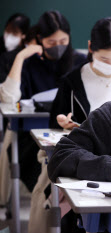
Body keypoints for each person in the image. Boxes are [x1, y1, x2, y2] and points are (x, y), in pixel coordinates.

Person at [0, 10, 87, 194]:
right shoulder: (29, 63)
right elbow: (8, 99)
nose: (58, 46)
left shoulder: (80, 62)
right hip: (31, 136)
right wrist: (21, 56)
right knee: (45, 171)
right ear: (40, 38)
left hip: (70, 132)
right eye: (51, 42)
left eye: (63, 41)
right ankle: (50, 203)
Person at [50, 16, 111, 130]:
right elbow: (54, 124)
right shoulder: (71, 82)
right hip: (85, 147)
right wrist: (64, 126)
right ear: (90, 47)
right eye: (104, 59)